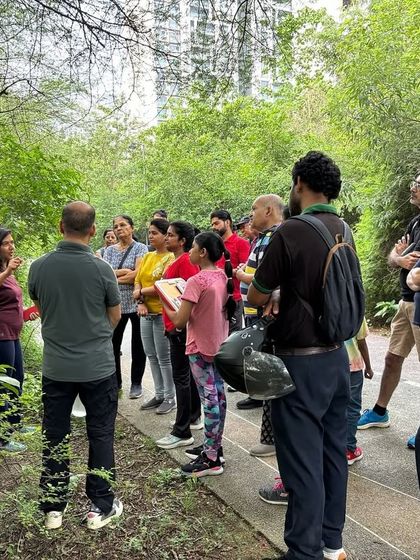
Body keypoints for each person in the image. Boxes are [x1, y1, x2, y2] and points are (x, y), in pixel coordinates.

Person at [249, 151, 352, 560]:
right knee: (333, 452)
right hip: (335, 357)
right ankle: (332, 543)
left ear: (298, 185)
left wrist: (273, 293)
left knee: (301, 461)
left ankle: (303, 552)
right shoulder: (344, 227)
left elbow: (257, 291)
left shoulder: (290, 231)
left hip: (300, 362)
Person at [28, 201, 123, 530]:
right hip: (97, 367)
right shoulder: (102, 269)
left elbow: (42, 309)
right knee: (100, 434)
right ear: (94, 230)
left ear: (60, 226)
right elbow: (114, 315)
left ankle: (53, 508)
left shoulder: (38, 267)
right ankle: (100, 506)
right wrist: (93, 338)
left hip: (56, 369)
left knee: (55, 435)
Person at [162, 232, 235, 477]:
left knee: (209, 400)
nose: (190, 251)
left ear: (203, 252)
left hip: (199, 347)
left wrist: (167, 302)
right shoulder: (222, 276)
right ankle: (214, 446)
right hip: (219, 346)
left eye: (193, 247)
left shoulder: (197, 281)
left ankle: (212, 457)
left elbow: (180, 321)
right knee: (219, 397)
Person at [358, 173, 420, 450]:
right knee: (393, 358)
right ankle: (380, 411)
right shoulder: (415, 222)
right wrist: (399, 257)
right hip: (406, 302)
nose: (412, 188)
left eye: (417, 184)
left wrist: (403, 260)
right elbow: (396, 259)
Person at [156, 221, 202, 449]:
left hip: (179, 328)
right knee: (187, 376)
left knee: (181, 378)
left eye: (171, 235)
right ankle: (193, 416)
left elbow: (190, 296)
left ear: (182, 240)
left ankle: (181, 430)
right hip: (174, 326)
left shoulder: (185, 262)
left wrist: (179, 325)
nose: (166, 238)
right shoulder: (178, 260)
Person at [236, 195, 284, 413]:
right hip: (254, 310)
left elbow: (264, 279)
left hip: (265, 313)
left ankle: (268, 408)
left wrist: (240, 274)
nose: (250, 214)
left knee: (266, 358)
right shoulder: (263, 238)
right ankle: (261, 398)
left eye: (253, 209)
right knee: (259, 356)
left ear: (268, 211)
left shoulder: (276, 236)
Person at [0, 228, 39, 453]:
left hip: (12, 334)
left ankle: (15, 424)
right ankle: (3, 438)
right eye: (6, 243)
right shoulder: (5, 272)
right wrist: (7, 272)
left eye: (12, 242)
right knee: (4, 384)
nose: (11, 246)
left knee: (17, 379)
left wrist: (26, 313)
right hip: (1, 336)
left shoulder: (8, 271)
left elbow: (10, 305)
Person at [103, 215, 148, 398]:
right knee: (113, 344)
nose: (119, 228)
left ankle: (136, 383)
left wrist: (116, 277)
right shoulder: (110, 251)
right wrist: (123, 272)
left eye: (123, 225)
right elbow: (105, 275)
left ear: (132, 228)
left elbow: (137, 275)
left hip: (136, 302)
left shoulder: (141, 248)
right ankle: (116, 382)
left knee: (138, 345)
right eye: (116, 226)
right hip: (115, 304)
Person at [134, 219, 176, 414]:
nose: (151, 236)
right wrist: (140, 300)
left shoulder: (170, 258)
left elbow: (163, 285)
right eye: (149, 233)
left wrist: (140, 292)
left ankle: (170, 396)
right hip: (145, 312)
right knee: (150, 354)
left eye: (155, 233)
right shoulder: (147, 256)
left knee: (164, 357)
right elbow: (137, 280)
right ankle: (159, 393)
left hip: (161, 312)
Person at [210, 209, 250, 333]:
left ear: (227, 222)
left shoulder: (241, 243)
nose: (214, 227)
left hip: (234, 297)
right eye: (212, 224)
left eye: (216, 223)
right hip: (216, 297)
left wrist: (221, 272)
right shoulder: (214, 245)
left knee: (232, 337)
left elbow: (246, 269)